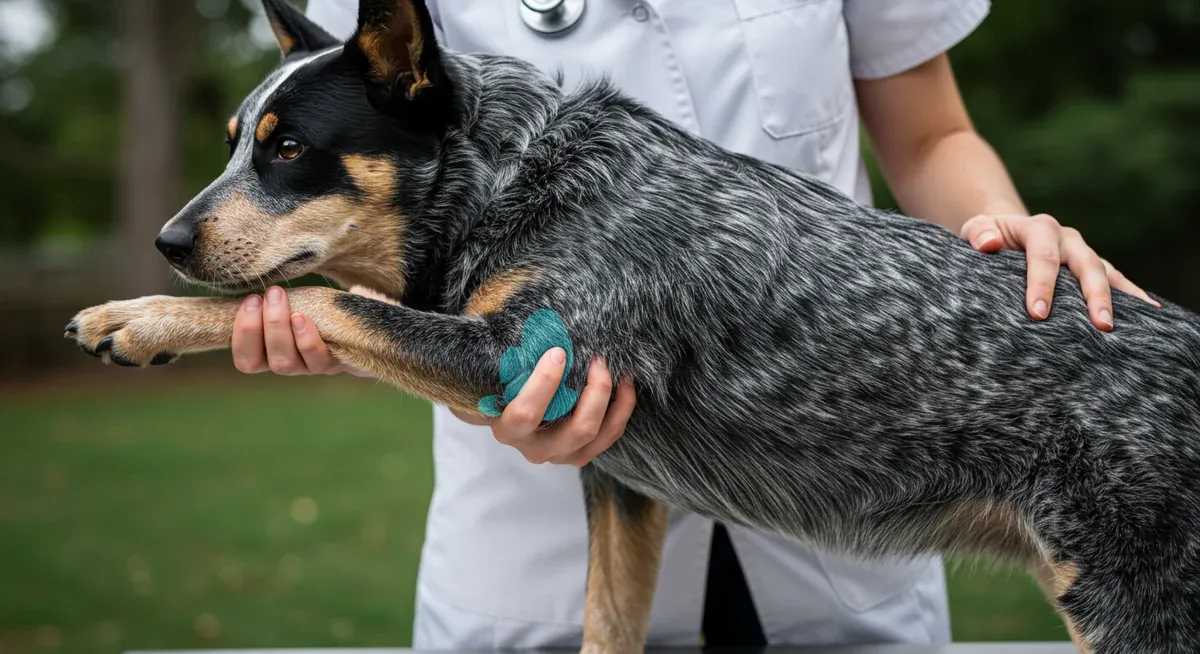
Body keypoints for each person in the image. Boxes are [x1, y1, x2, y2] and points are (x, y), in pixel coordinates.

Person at [232, 0, 1156, 647]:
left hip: (852, 447)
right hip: (537, 542)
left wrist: (1004, 232)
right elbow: (370, 206)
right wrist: (451, 368)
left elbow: (929, 136)